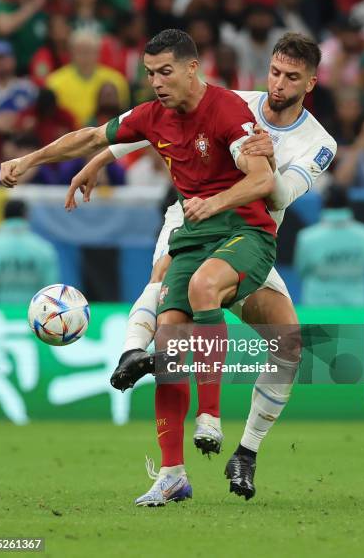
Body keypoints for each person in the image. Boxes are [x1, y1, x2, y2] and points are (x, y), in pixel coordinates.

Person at [0, 29, 278, 507]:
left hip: (244, 231)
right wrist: (29, 159)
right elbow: (89, 136)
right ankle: (172, 475)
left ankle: (209, 417)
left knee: (207, 289)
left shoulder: (230, 111)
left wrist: (214, 204)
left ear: (194, 67)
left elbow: (262, 179)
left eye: (165, 71)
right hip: (193, 235)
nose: (157, 82)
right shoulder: (152, 116)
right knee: (168, 342)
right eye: (150, 74)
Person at [64, 32, 337, 501]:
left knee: (289, 343)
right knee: (165, 288)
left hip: (247, 235)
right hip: (191, 215)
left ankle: (246, 453)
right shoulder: (238, 102)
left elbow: (278, 194)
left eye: (292, 78)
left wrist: (264, 165)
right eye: (274, 72)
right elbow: (159, 122)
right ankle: (142, 377)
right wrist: (101, 159)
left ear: (310, 82)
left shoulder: (319, 143)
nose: (278, 85)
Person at [294, 185, 364, 305]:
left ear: (323, 205)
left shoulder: (307, 237)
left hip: (318, 308)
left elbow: (301, 271)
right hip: (356, 308)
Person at [0, 199, 60, 304]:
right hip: (33, 316)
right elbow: (50, 290)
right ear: (26, 216)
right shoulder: (44, 249)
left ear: (3, 217)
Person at [45, 29, 130, 126]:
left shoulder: (116, 81)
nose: (85, 56)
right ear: (71, 53)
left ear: (98, 52)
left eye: (89, 51)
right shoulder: (54, 82)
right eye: (80, 51)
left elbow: (124, 116)